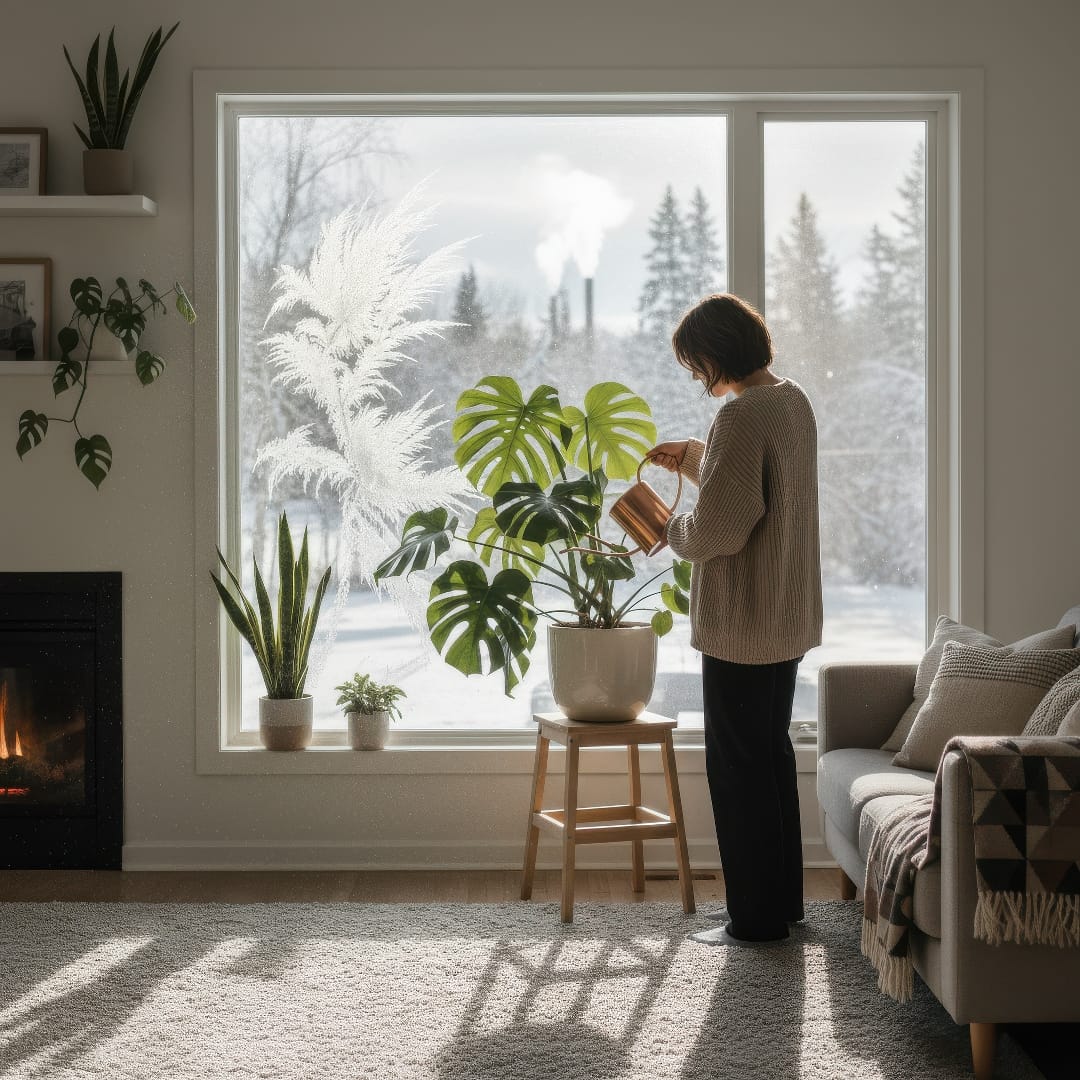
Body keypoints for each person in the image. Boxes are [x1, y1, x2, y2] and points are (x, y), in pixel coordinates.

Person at [646, 293, 822, 945]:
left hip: (743, 624)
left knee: (737, 766)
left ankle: (753, 921)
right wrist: (694, 456)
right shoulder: (792, 401)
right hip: (785, 616)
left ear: (715, 354)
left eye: (697, 364)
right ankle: (781, 906)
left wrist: (669, 527)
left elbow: (721, 526)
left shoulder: (741, 416)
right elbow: (757, 489)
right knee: (768, 758)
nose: (699, 377)